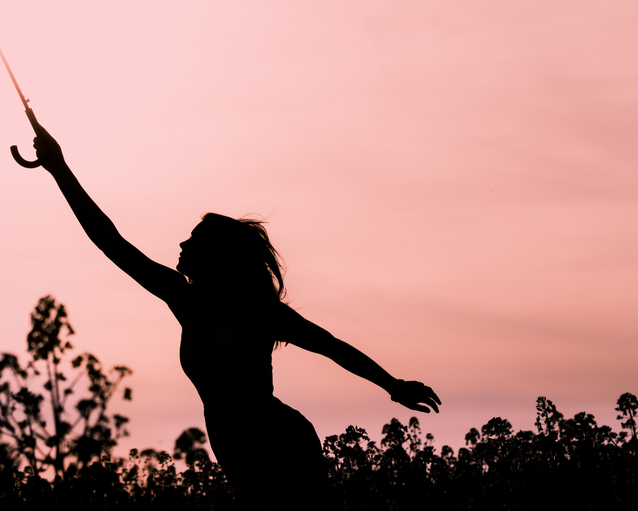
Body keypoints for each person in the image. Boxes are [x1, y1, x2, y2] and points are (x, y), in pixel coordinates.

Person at [30, 119, 441, 508]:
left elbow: (331, 346)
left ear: (217, 255)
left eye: (194, 239)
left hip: (283, 446)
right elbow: (112, 243)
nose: (182, 243)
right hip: (238, 457)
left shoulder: (259, 311)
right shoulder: (183, 300)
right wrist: (59, 168)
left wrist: (392, 384)